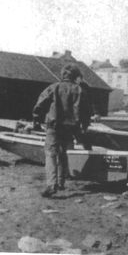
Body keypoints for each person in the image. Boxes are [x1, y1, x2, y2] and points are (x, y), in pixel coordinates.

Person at [32, 64, 90, 198]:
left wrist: (36, 119)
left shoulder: (54, 87)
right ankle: (60, 182)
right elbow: (87, 111)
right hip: (70, 128)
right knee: (63, 154)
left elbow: (40, 104)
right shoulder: (80, 90)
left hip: (53, 126)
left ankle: (51, 185)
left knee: (51, 154)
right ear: (75, 76)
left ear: (62, 75)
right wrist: (84, 126)